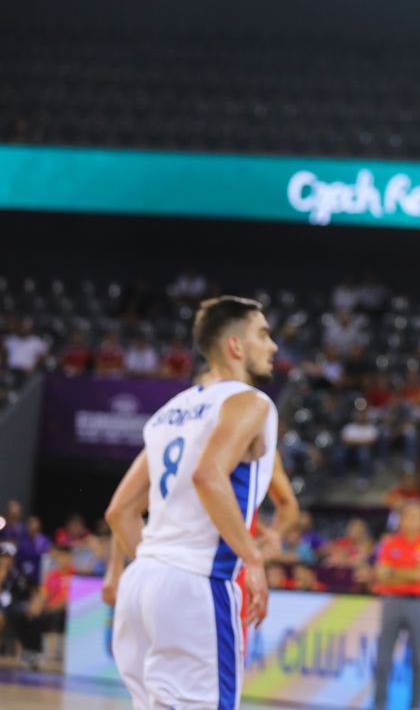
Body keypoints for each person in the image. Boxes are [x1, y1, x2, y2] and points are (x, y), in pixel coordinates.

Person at [103, 296, 282, 710]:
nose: (272, 346)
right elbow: (208, 475)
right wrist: (253, 559)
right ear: (235, 346)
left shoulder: (168, 412)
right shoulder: (250, 401)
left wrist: (161, 565)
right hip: (197, 583)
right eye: (262, 334)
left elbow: (119, 511)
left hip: (141, 581)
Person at [374, 502, 420, 710]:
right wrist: (409, 574)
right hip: (392, 601)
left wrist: (394, 573)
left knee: (418, 659)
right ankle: (379, 705)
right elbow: (381, 574)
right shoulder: (389, 543)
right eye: (409, 516)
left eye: (417, 516)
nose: (413, 520)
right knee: (384, 657)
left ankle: (416, 706)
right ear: (401, 520)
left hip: (418, 603)